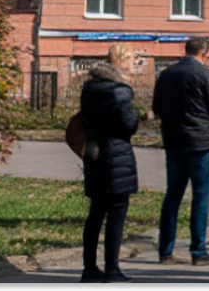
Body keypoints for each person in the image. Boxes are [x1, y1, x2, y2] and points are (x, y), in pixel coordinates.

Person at [152, 37, 209, 267]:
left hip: (174, 140)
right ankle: (199, 251)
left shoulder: (166, 74)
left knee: (172, 196)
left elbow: (156, 108)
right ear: (204, 53)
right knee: (201, 197)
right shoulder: (207, 74)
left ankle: (166, 251)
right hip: (201, 142)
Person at [80, 44, 140, 283]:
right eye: (133, 59)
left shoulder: (90, 88)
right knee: (116, 214)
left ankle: (89, 268)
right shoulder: (121, 90)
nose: (135, 63)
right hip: (117, 155)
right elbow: (128, 124)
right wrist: (137, 115)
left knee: (95, 213)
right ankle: (112, 269)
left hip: (95, 154)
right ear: (122, 61)